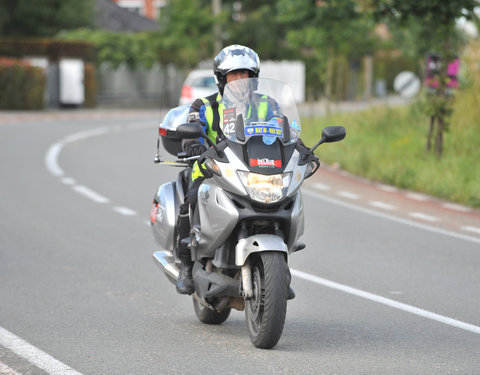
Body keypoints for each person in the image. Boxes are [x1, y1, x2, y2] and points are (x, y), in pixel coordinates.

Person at [175, 45, 295, 301]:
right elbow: (193, 126)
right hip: (213, 167)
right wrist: (193, 142)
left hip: (254, 167)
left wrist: (300, 147)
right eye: (234, 75)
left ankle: (280, 271)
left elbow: (285, 130)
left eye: (246, 75)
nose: (241, 81)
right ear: (222, 79)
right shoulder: (205, 105)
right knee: (191, 197)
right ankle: (185, 264)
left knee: (286, 196)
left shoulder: (268, 104)